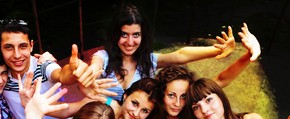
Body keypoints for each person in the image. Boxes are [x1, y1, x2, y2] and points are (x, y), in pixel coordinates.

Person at [144, 23, 261, 119]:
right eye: (171, 95)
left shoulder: (195, 111)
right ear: (162, 94)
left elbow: (222, 79)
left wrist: (249, 55)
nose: (177, 103)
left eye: (184, 96)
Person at [78, 4, 236, 101]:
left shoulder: (149, 60)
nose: (130, 42)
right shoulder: (103, 58)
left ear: (142, 36)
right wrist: (90, 73)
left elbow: (180, 56)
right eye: (124, 34)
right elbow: (95, 66)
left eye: (136, 35)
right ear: (115, 35)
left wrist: (219, 50)